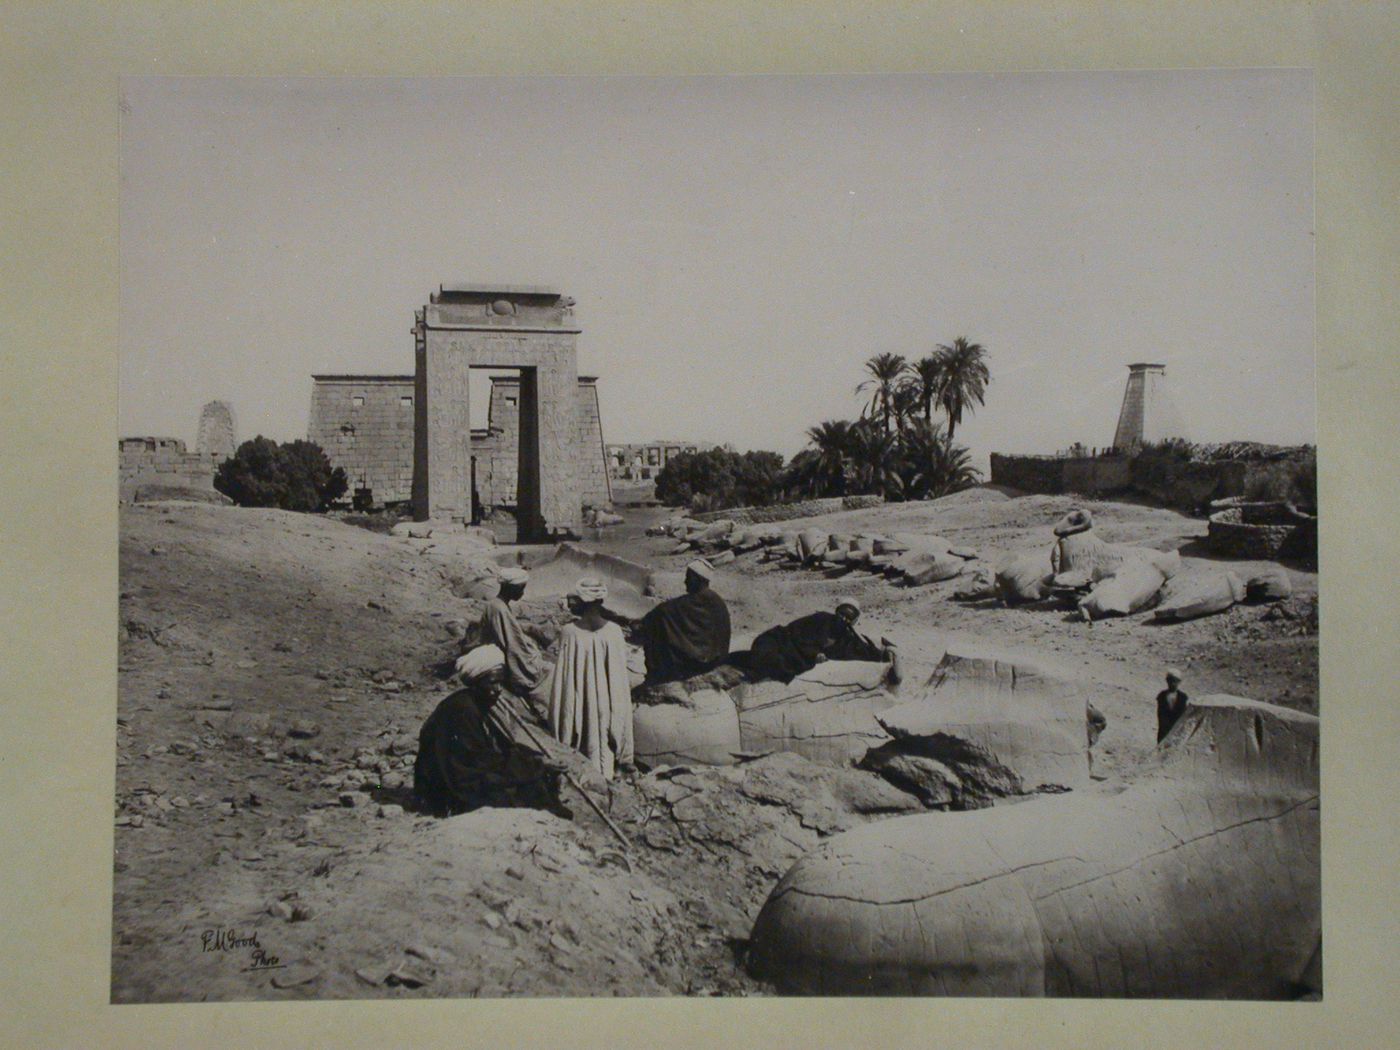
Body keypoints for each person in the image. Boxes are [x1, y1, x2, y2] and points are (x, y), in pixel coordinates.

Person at [413, 645, 571, 818]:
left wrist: (538, 759)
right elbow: (482, 760)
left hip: (464, 773)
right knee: (518, 787)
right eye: (492, 682)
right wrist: (536, 765)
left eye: (500, 682)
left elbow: (501, 748)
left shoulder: (477, 703)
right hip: (449, 787)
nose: (498, 689)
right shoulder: (463, 709)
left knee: (532, 774)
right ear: (477, 681)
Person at [546, 578, 635, 780]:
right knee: (604, 744)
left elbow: (565, 684)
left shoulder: (569, 632)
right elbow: (620, 682)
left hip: (582, 704)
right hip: (609, 705)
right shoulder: (614, 631)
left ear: (582, 601)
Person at [457, 566, 552, 716]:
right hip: (500, 658)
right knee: (548, 674)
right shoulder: (498, 609)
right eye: (520, 589)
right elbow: (512, 644)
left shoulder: (499, 606)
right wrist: (531, 665)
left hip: (501, 652)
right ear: (510, 588)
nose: (522, 593)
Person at [746, 599, 900, 684]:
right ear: (836, 612)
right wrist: (815, 654)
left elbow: (860, 651)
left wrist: (882, 655)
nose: (844, 619)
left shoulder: (846, 638)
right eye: (842, 614)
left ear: (853, 622)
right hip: (781, 642)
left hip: (797, 659)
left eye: (849, 618)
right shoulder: (820, 620)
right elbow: (796, 635)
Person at [636, 558, 732, 684]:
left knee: (658, 626)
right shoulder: (716, 601)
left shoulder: (691, 602)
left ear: (698, 580)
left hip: (700, 661)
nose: (685, 581)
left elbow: (661, 612)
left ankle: (658, 677)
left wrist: (642, 624)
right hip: (716, 659)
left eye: (688, 577)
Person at [1156, 667, 1191, 743]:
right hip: (1164, 732)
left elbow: (1183, 716)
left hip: (1177, 732)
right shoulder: (1161, 696)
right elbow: (1161, 715)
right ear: (1167, 681)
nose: (1172, 683)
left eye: (1175, 681)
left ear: (1179, 682)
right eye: (1170, 681)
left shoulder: (1183, 697)